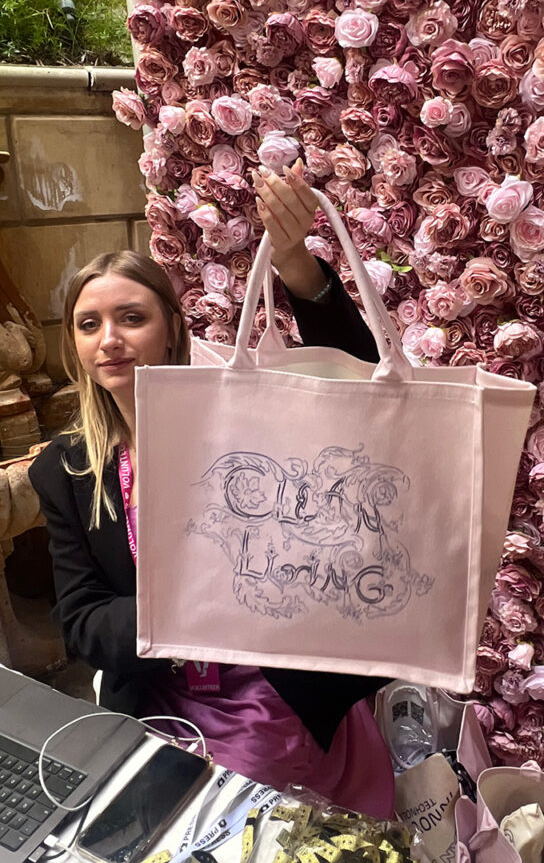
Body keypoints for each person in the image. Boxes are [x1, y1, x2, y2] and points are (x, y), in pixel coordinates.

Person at [28, 162, 395, 817]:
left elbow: (356, 394)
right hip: (158, 698)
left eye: (130, 317)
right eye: (89, 325)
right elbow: (82, 623)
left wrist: (297, 269)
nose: (109, 339)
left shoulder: (242, 428)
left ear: (172, 327)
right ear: (73, 345)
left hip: (275, 694)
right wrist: (198, 600)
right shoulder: (67, 470)